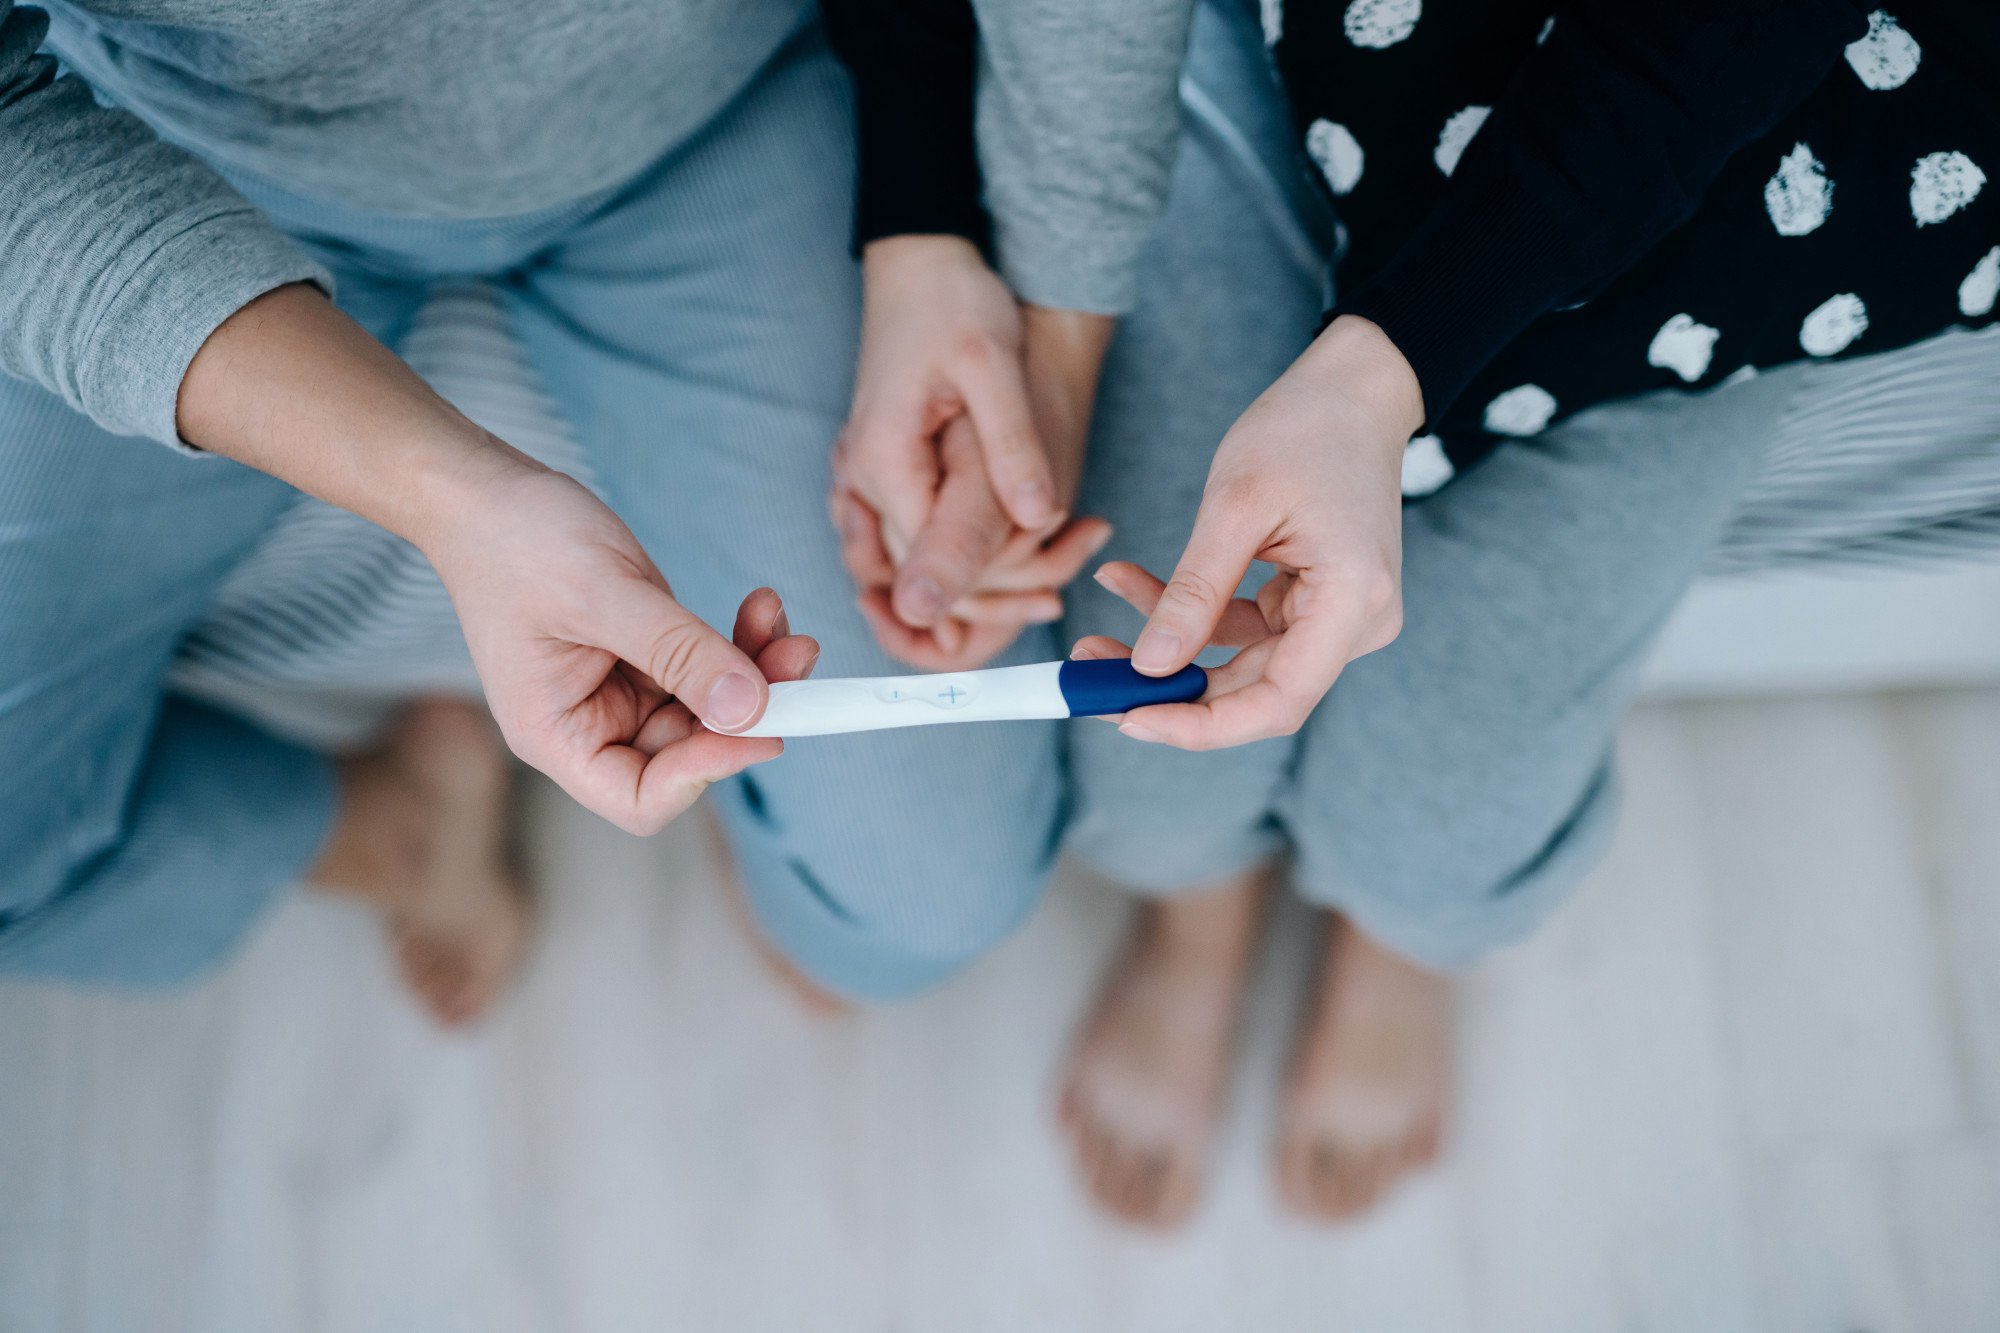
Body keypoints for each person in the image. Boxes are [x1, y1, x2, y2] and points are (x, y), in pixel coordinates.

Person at [825, 0, 2000, 1226]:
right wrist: (1048, 343)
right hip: (1255, 63)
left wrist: (1381, 370)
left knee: (1438, 836)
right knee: (1153, 772)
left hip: (1722, 197)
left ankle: (1396, 941)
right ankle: (1196, 916)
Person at [0, 0, 1079, 1022]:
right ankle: (405, 832)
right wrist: (456, 499)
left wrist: (919, 231)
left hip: (709, 111)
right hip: (164, 176)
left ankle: (749, 810)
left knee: (922, 904)